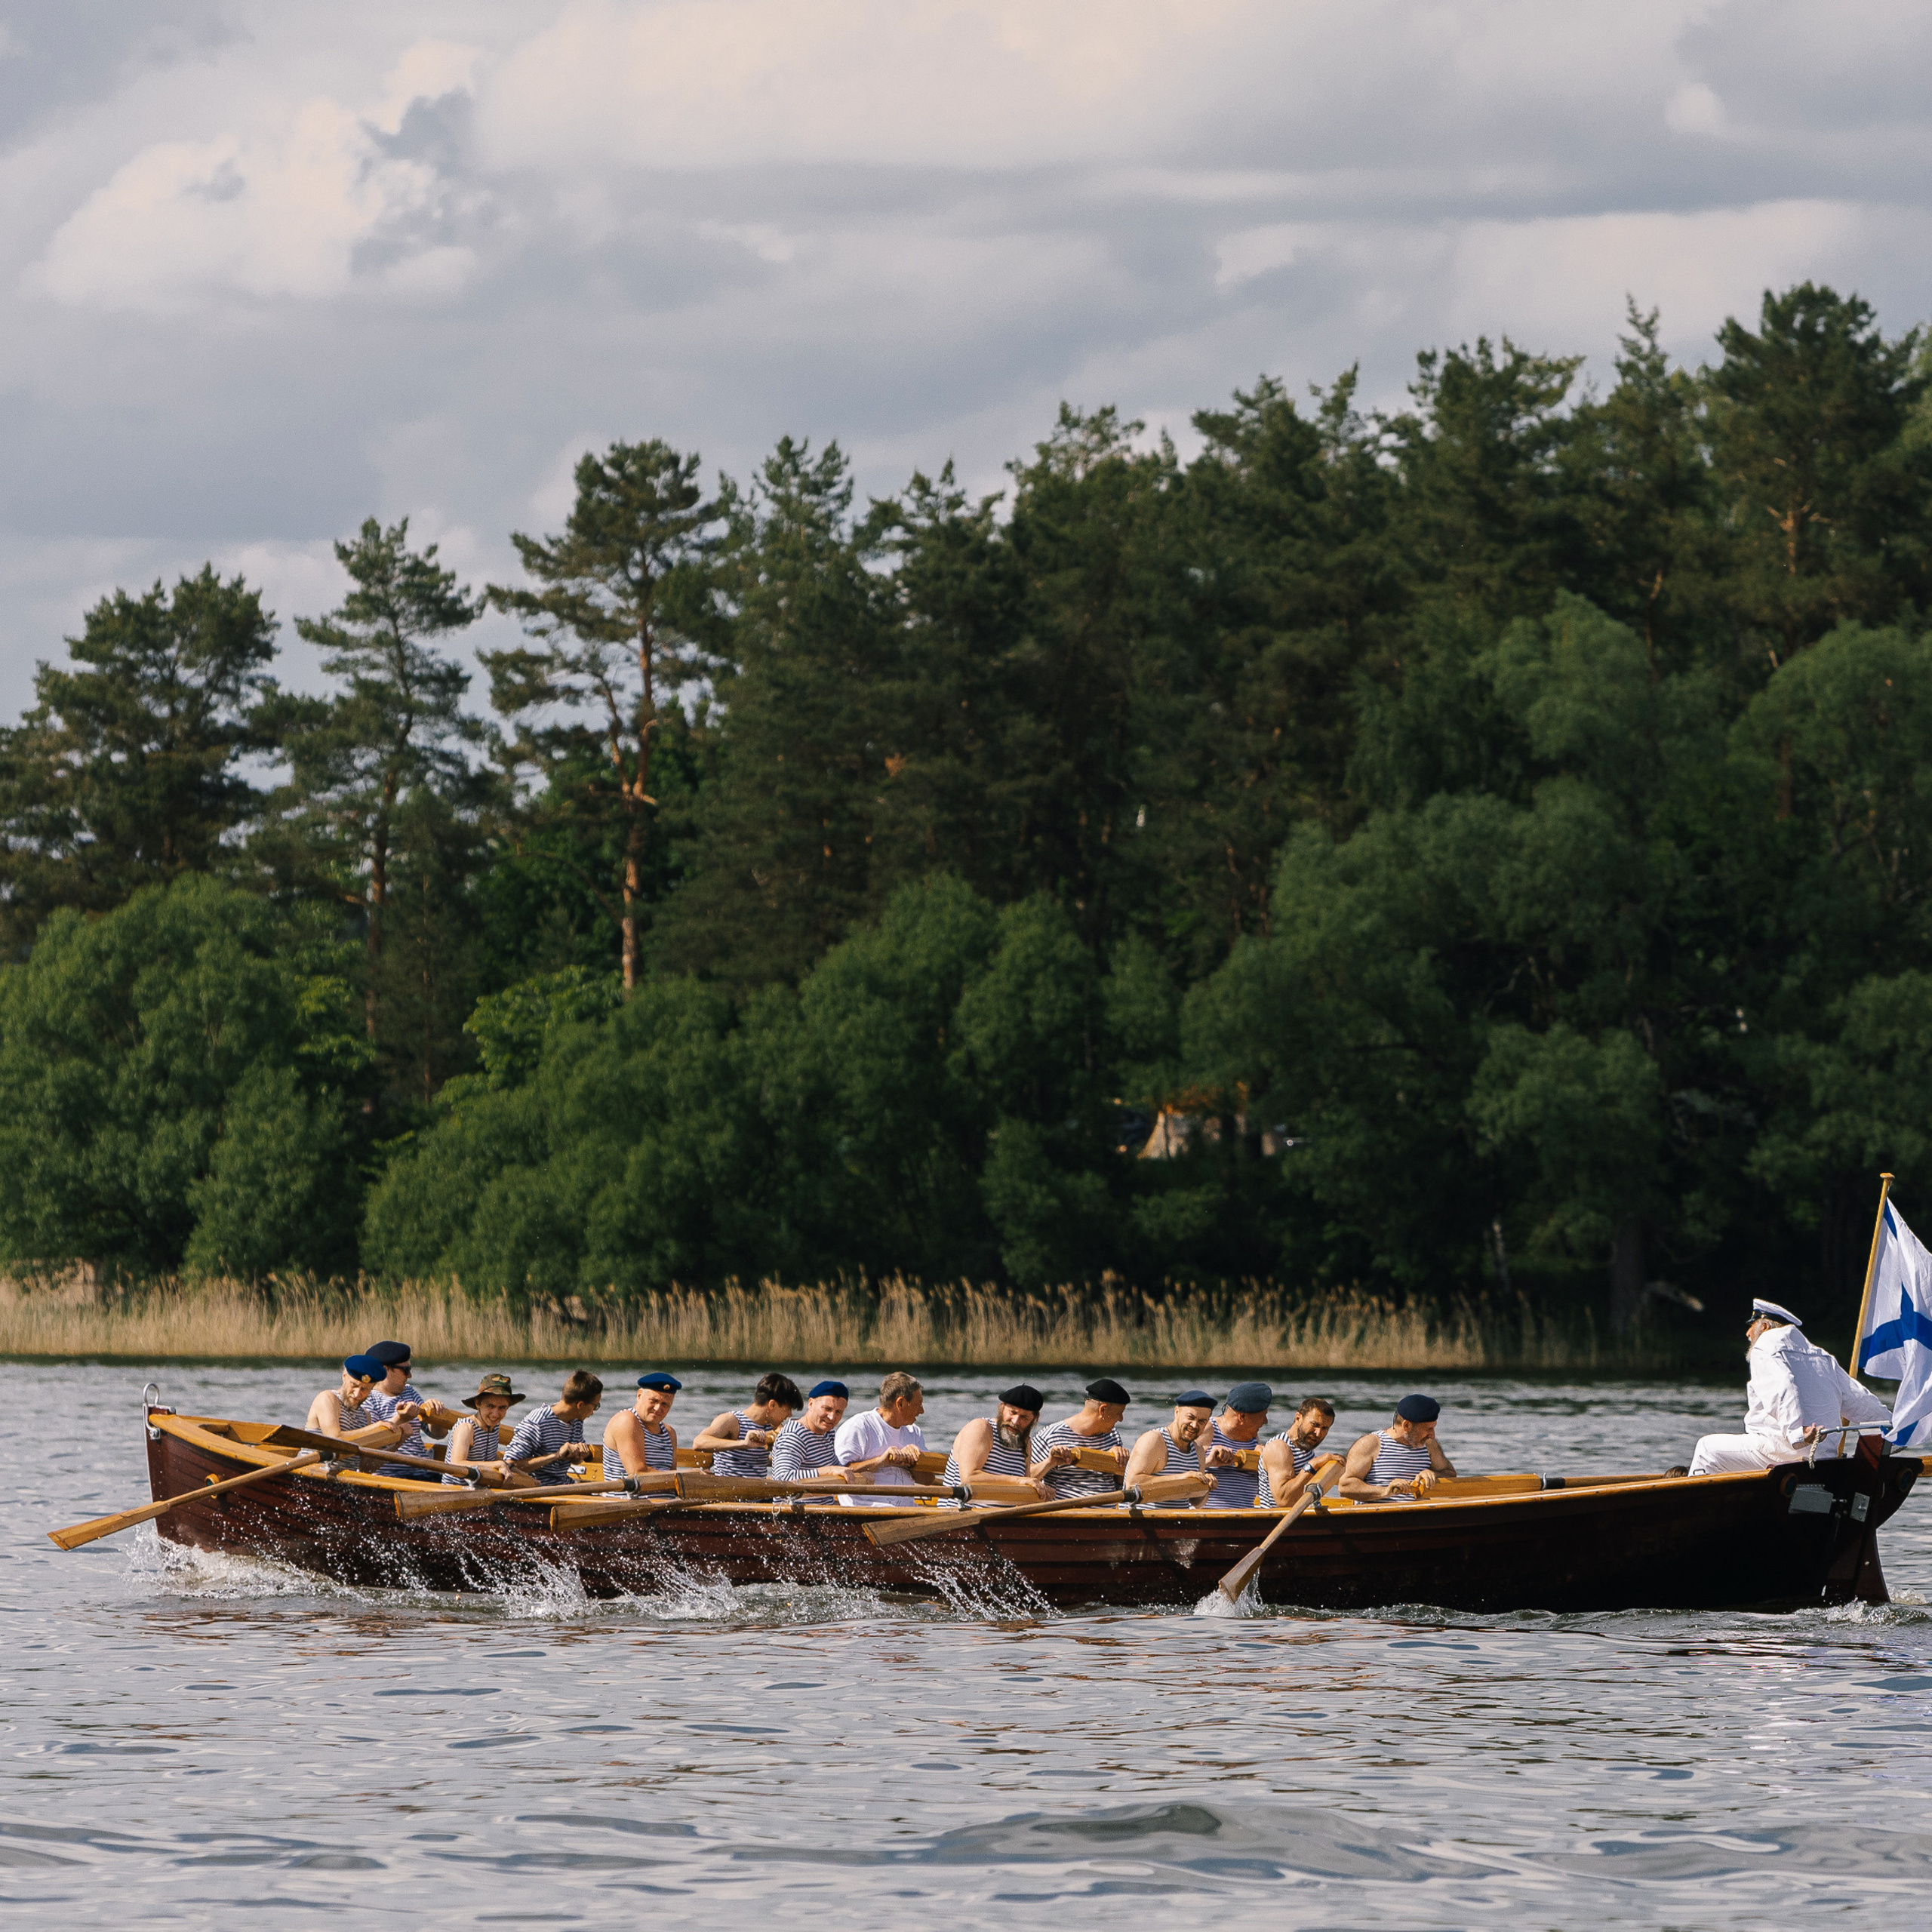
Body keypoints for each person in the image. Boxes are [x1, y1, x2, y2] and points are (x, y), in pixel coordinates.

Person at [1687, 1298, 1893, 1475]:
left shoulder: (1765, 1346)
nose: (1747, 1333)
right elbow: (1858, 1398)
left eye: (1751, 1325)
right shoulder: (1821, 1356)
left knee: (1706, 1448)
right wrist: (1892, 1428)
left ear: (1765, 1327)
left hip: (1782, 1450)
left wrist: (1797, 1433)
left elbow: (1783, 1387)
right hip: (1825, 1456)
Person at [361, 1340, 459, 1479]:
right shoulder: (369, 1400)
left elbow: (437, 1435)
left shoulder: (410, 1392)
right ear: (384, 1370)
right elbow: (372, 1442)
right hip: (390, 1476)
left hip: (424, 1472)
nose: (410, 1376)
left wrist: (436, 1415)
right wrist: (400, 1420)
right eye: (405, 1370)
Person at [834, 1372, 931, 1506]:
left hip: (906, 1512)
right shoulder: (858, 1427)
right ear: (901, 1403)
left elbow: (928, 1480)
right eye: (918, 1404)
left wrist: (913, 1463)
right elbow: (837, 1472)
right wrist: (881, 1461)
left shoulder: (914, 1432)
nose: (922, 1411)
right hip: (866, 1512)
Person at [1339, 1394, 1456, 1501]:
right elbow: (1345, 1486)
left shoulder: (1429, 1445)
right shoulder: (1370, 1444)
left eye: (1433, 1428)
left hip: (1419, 1517)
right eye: (1428, 1429)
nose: (1432, 1435)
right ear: (1407, 1425)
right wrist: (1385, 1491)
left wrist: (1433, 1475)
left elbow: (1450, 1473)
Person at [942, 1384, 1054, 1495]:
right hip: (961, 1510)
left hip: (1003, 1512)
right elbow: (970, 1478)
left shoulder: (1025, 1443)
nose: (1015, 1421)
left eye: (1024, 1417)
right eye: (1013, 1413)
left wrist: (1040, 1493)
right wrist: (1019, 1480)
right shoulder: (981, 1428)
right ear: (1002, 1407)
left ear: (1034, 1419)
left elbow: (1023, 1488)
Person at [1033, 1380, 1131, 1499]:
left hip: (1109, 1513)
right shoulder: (1050, 1436)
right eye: (1119, 1413)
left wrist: (1121, 1462)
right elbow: (1025, 1476)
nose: (1121, 1419)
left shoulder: (1113, 1436)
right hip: (1069, 1513)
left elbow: (1121, 1482)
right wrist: (1049, 1462)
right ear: (1103, 1410)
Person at [503, 1371, 604, 1487]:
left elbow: (574, 1462)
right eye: (595, 1406)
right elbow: (511, 1465)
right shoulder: (537, 1422)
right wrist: (556, 1455)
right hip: (538, 1489)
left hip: (564, 1485)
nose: (593, 1412)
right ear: (580, 1405)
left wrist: (578, 1455)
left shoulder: (577, 1420)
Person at [694, 1374, 805, 1478]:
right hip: (729, 1494)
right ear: (772, 1405)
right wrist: (743, 1444)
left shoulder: (774, 1427)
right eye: (788, 1409)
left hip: (760, 1495)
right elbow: (698, 1443)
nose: (790, 1415)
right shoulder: (732, 1421)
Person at [1124, 1390, 1216, 1509]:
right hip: (1140, 1521)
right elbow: (1132, 1484)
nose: (1194, 1425)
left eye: (1202, 1421)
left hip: (1177, 1522)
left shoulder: (1198, 1451)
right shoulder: (1154, 1440)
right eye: (1190, 1417)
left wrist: (1206, 1488)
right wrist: (1181, 1478)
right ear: (1177, 1412)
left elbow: (1196, 1503)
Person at [441, 1374, 523, 1485]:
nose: (495, 1414)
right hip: (453, 1492)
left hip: (480, 1489)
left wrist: (523, 1475)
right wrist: (498, 1465)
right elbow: (456, 1464)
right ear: (478, 1404)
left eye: (502, 1408)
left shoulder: (494, 1427)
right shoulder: (466, 1428)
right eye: (490, 1406)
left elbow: (490, 1456)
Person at [1201, 1381, 1272, 1508]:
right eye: (1263, 1416)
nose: (1266, 1422)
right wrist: (1208, 1462)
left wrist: (1264, 1462)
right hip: (1208, 1515)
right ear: (1242, 1417)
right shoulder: (1208, 1429)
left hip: (1246, 1517)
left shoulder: (1253, 1437)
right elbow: (1177, 1471)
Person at [1257, 1397, 1337, 1507]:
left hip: (1307, 1521)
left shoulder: (1306, 1449)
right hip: (1277, 1521)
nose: (1318, 1433)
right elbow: (1284, 1500)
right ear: (1298, 1418)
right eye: (1314, 1425)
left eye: (1324, 1428)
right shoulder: (1279, 1448)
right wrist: (1312, 1467)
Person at [603, 1371, 682, 1480]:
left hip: (667, 1496)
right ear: (639, 1395)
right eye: (654, 1401)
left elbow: (674, 1478)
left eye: (665, 1404)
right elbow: (637, 1472)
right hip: (630, 1496)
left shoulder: (669, 1433)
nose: (658, 1408)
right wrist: (689, 1475)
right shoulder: (626, 1420)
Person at [306, 1355, 402, 1442]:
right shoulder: (327, 1398)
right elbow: (335, 1438)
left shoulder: (365, 1415)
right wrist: (373, 1428)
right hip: (316, 1462)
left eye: (364, 1389)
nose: (357, 1394)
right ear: (344, 1377)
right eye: (354, 1385)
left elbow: (367, 1459)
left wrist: (399, 1438)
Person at [769, 1381, 851, 1483]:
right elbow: (783, 1478)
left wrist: (862, 1472)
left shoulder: (828, 1433)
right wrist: (830, 1470)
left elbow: (837, 1468)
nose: (832, 1417)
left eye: (838, 1412)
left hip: (825, 1498)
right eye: (827, 1409)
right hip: (794, 1499)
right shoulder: (794, 1436)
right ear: (811, 1404)